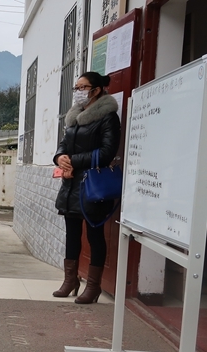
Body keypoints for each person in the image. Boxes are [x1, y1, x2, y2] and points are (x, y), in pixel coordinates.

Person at [52, 72, 121, 304]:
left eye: (83, 87)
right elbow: (64, 144)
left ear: (97, 90)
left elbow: (106, 152)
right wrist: (60, 157)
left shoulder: (108, 117)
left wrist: (73, 160)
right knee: (71, 234)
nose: (78, 92)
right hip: (71, 184)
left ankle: (93, 286)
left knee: (94, 235)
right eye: (76, 87)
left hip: (92, 185)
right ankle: (70, 280)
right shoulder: (75, 116)